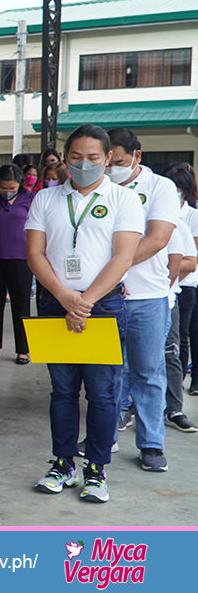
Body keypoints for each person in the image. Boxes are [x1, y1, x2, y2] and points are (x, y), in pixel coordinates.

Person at [26, 124, 141, 503]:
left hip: (103, 307)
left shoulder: (124, 200)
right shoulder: (46, 198)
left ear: (107, 158)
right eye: (75, 157)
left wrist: (85, 301)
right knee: (62, 391)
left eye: (93, 158)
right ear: (65, 158)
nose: (84, 165)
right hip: (54, 304)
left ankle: (95, 468)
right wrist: (63, 295)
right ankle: (62, 462)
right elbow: (35, 253)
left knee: (103, 393)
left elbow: (123, 256)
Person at [107, 128, 180, 474]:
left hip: (147, 296)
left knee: (148, 372)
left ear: (137, 156)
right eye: (106, 162)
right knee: (105, 373)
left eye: (118, 162)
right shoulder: (98, 188)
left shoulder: (159, 187)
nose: (110, 169)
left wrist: (108, 269)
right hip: (104, 297)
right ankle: (104, 436)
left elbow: (157, 239)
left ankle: (152, 443)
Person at [0, 164, 35, 366]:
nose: (7, 191)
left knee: (21, 304)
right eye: (3, 188)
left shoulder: (29, 198)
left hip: (21, 257)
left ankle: (23, 349)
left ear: (19, 184)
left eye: (11, 188)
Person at [161, 162, 198, 410]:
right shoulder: (157, 213)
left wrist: (168, 275)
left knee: (179, 341)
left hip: (184, 286)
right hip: (160, 288)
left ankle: (176, 401)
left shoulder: (190, 217)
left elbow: (191, 257)